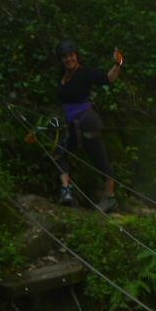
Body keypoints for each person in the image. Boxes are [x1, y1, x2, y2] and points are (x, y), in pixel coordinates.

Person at [53, 39, 123, 212]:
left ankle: (110, 198)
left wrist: (119, 63)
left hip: (87, 123)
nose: (69, 59)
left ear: (76, 56)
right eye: (65, 57)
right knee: (60, 154)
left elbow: (108, 78)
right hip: (72, 125)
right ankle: (66, 191)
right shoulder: (63, 76)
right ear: (61, 59)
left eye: (71, 55)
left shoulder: (85, 73)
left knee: (100, 159)